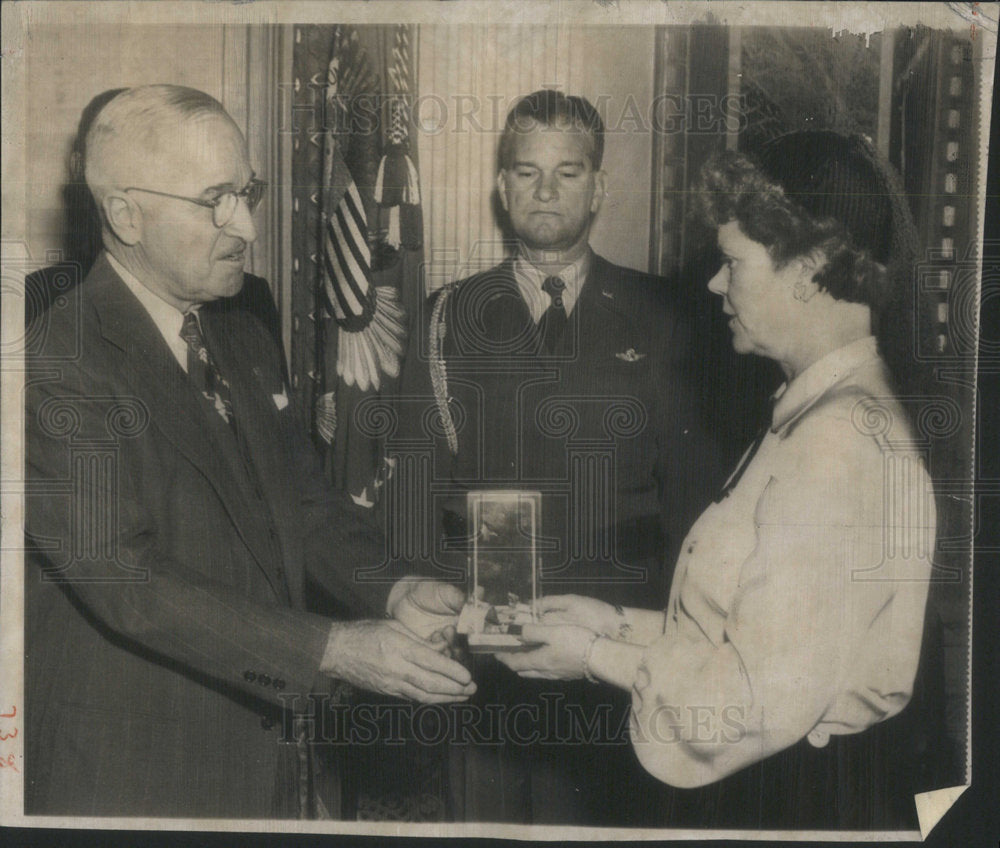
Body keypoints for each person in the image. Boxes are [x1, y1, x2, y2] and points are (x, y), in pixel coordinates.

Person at [23, 84, 473, 819]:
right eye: (215, 201)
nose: (247, 227)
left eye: (248, 192)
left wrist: (388, 588)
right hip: (130, 765)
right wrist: (334, 649)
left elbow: (301, 501)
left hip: (258, 754)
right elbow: (129, 583)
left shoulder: (240, 335)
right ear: (126, 214)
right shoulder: (53, 364)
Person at [499, 131, 936, 829]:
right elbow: (748, 636)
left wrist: (593, 657)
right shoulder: (823, 407)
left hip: (796, 804)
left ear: (808, 269)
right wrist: (609, 621)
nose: (715, 283)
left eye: (733, 262)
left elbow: (740, 703)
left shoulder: (837, 445)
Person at [392, 90, 719, 824]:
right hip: (489, 631)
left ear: (599, 187)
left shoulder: (667, 317)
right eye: (526, 171)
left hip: (617, 629)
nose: (545, 191)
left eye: (567, 173)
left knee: (611, 824)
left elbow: (693, 502)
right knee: (488, 819)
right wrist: (437, 613)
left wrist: (670, 636)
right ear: (501, 185)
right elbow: (415, 481)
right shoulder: (448, 316)